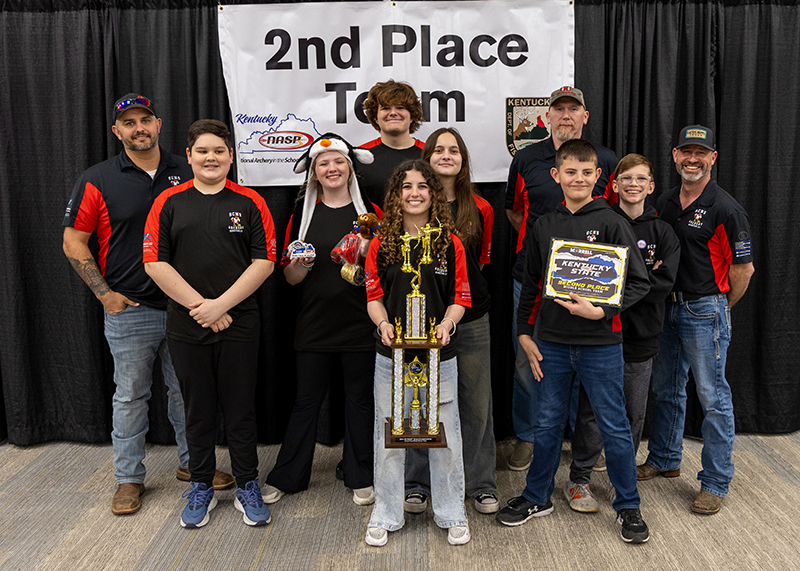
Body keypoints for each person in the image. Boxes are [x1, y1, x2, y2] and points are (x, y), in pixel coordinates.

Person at [62, 94, 233, 516]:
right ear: (117, 131)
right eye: (129, 123)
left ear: (159, 124)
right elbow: (73, 241)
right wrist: (105, 294)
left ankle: (195, 466)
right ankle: (128, 478)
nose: (138, 128)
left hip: (187, 307)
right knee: (131, 396)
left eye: (145, 120)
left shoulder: (188, 168)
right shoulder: (98, 179)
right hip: (131, 310)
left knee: (188, 393)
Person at [496, 140, 651, 544]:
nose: (578, 179)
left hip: (602, 343)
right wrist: (524, 334)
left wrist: (602, 311)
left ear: (599, 176)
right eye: (571, 172)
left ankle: (628, 505)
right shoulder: (543, 224)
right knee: (546, 422)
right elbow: (530, 285)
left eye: (587, 172)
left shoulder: (615, 222)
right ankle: (536, 496)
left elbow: (638, 282)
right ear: (556, 176)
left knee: (614, 426)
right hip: (551, 343)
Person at [143, 119, 276, 528]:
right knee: (196, 410)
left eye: (219, 150)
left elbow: (265, 261)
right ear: (189, 156)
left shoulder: (250, 201)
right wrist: (202, 306)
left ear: (230, 156)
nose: (211, 158)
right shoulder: (169, 201)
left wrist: (221, 306)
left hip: (240, 321)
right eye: (202, 151)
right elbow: (154, 262)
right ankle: (201, 484)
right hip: (187, 324)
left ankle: (247, 484)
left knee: (240, 409)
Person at [639, 125, 754, 516]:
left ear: (712, 158)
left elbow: (744, 270)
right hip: (666, 307)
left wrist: (720, 306)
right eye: (686, 152)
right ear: (674, 156)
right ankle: (665, 458)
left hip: (705, 309)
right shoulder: (666, 201)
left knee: (713, 398)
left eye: (700, 153)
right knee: (667, 389)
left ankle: (716, 481)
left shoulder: (725, 208)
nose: (692, 159)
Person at [504, 86, 618, 472]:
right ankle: (528, 435)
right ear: (547, 116)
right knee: (528, 359)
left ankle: (579, 441)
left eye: (574, 109)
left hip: (589, 281)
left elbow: (614, 217)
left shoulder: (605, 159)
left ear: (585, 116)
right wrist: (543, 247)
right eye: (559, 109)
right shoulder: (526, 159)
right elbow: (516, 213)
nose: (566, 115)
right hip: (532, 278)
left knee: (583, 362)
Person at [262, 134, 379, 507]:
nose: (332, 168)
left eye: (338, 162)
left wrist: (364, 254)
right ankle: (289, 476)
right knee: (306, 402)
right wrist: (302, 265)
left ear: (350, 168)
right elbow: (290, 278)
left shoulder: (370, 215)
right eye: (323, 163)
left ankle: (361, 474)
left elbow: (383, 272)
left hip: (361, 324)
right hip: (313, 324)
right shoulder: (300, 217)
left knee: (360, 401)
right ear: (313, 173)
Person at [562, 154, 680, 513]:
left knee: (631, 413)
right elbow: (586, 276)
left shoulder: (663, 232)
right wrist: (626, 285)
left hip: (640, 338)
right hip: (598, 335)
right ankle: (579, 478)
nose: (633, 184)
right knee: (590, 413)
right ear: (612, 184)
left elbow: (660, 284)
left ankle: (620, 480)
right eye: (626, 178)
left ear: (651, 186)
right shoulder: (599, 224)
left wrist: (617, 289)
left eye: (641, 179)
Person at [364, 160, 472, 547]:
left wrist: (447, 324)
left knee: (446, 436)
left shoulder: (450, 242)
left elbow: (461, 297)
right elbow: (373, 295)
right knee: (389, 434)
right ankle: (386, 513)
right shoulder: (381, 242)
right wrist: (383, 325)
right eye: (406, 186)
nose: (414, 193)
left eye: (422, 186)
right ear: (395, 195)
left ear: (433, 193)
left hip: (439, 356)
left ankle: (451, 512)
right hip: (391, 356)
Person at [403, 128, 499, 515]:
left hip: (471, 318)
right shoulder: (408, 205)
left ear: (463, 159)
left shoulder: (481, 208)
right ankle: (417, 483)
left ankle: (480, 484)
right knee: (418, 404)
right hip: (417, 321)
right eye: (438, 149)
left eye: (453, 150)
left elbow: (483, 263)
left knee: (477, 404)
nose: (446, 155)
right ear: (426, 157)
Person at [357, 80, 425, 207]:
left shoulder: (430, 154)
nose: (393, 113)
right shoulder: (359, 157)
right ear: (376, 117)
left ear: (412, 116)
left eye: (400, 107)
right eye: (386, 108)